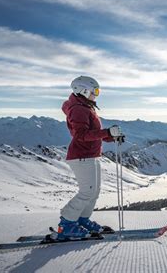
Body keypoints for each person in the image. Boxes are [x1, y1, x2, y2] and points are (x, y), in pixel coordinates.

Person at [58, 75, 124, 239]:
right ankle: (66, 224)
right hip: (81, 156)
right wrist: (107, 132)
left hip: (91, 155)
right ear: (83, 90)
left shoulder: (86, 107)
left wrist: (111, 136)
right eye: (95, 91)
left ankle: (82, 220)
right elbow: (80, 135)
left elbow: (93, 134)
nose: (96, 94)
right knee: (86, 192)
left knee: (94, 192)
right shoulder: (78, 109)